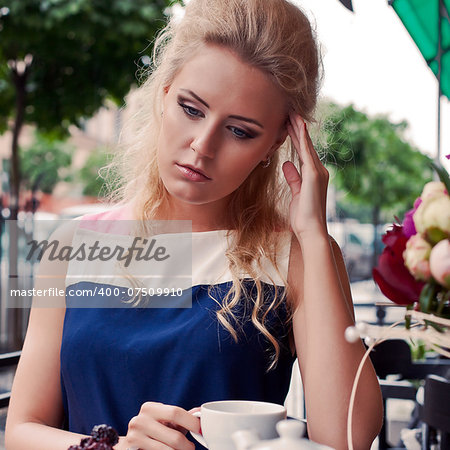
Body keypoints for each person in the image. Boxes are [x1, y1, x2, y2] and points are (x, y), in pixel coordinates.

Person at [5, 0, 383, 449]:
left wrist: (315, 238)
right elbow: (20, 430)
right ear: (164, 93)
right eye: (191, 108)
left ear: (277, 142)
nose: (202, 146)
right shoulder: (73, 245)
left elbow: (348, 439)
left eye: (240, 131)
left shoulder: (298, 255)